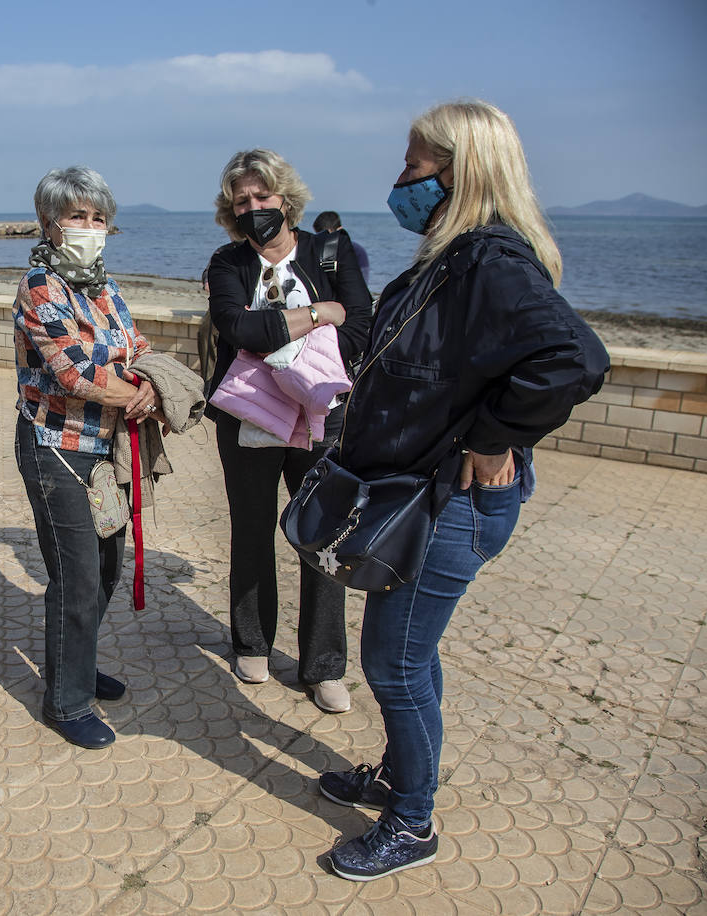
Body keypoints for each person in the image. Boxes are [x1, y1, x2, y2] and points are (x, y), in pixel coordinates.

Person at [317, 100, 609, 882]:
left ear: (459, 173)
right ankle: (398, 776)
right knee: (414, 654)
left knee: (393, 665)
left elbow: (572, 359)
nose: (400, 180)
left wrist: (494, 437)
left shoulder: (489, 259)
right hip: (422, 496)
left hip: (446, 506)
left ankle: (411, 823)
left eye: (413, 167)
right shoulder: (455, 258)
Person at [205, 149, 373, 712]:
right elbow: (238, 327)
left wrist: (289, 352)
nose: (255, 208)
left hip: (321, 418)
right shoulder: (229, 263)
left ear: (286, 199)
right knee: (251, 531)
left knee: (321, 537)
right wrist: (320, 316)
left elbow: (364, 328)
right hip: (250, 419)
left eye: (263, 197)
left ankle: (324, 665)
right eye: (242, 200)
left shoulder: (331, 251)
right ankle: (251, 640)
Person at [13, 166, 160, 750]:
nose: (90, 227)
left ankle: (75, 662)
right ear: (50, 223)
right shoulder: (41, 287)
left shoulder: (103, 286)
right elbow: (72, 372)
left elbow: (137, 346)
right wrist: (141, 395)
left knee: (104, 571)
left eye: (98, 218)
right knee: (74, 577)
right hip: (58, 448)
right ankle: (67, 701)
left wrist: (147, 382)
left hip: (107, 454)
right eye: (78, 216)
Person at [312, 210, 371, 288]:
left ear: (340, 230)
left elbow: (363, 282)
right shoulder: (314, 249)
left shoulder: (356, 250)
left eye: (329, 237)